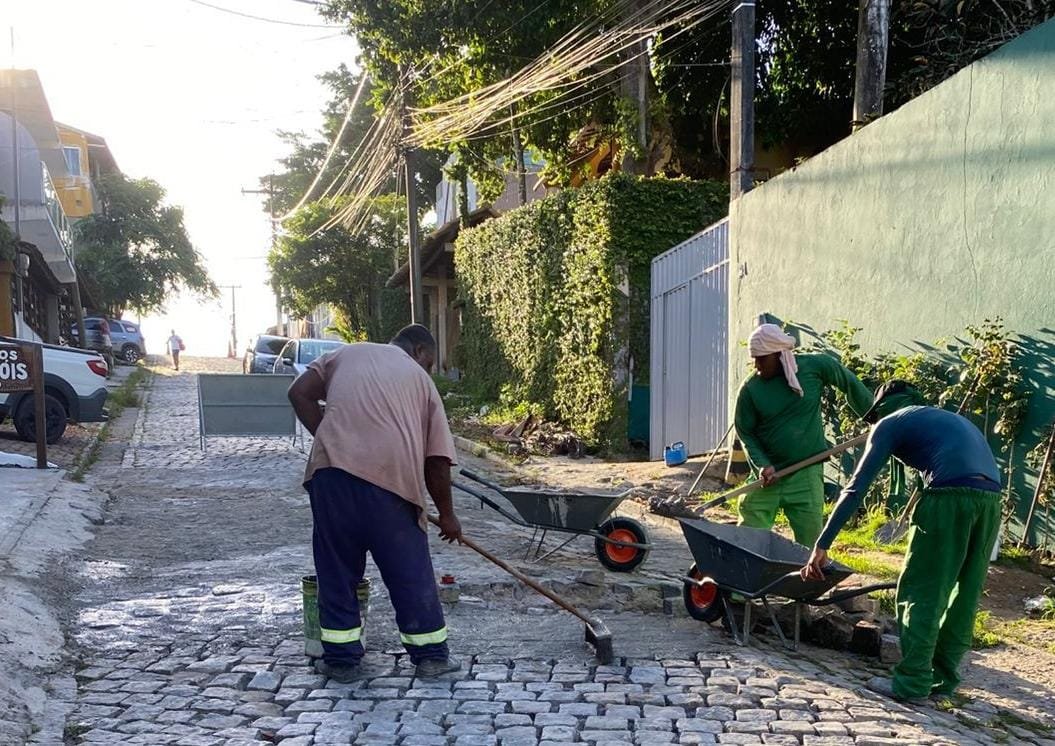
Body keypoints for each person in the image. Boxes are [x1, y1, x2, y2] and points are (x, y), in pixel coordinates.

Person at [802, 381, 1002, 703]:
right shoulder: (935, 417)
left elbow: (855, 488)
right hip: (991, 501)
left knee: (921, 590)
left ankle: (911, 684)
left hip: (948, 498)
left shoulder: (888, 424)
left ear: (880, 409)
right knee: (963, 594)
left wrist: (823, 543)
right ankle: (944, 679)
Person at [287, 324, 462, 682]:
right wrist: (448, 515)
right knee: (408, 569)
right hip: (392, 487)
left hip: (331, 479)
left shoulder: (343, 355)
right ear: (419, 352)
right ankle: (430, 657)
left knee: (336, 569)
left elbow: (299, 392)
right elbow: (437, 460)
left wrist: (328, 438)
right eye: (429, 362)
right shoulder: (420, 379)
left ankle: (341, 662)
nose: (427, 369)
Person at [734, 323, 873, 547]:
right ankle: (745, 577)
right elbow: (746, 432)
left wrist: (875, 418)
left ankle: (808, 580)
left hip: (806, 472)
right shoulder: (751, 388)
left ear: (780, 355)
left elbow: (849, 383)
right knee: (748, 537)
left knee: (811, 543)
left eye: (762, 359)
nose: (757, 365)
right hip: (767, 477)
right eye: (754, 359)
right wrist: (762, 464)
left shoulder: (814, 367)